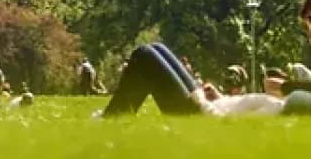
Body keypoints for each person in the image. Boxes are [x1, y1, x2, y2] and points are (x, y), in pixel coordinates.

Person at [95, 43, 283, 118]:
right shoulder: (278, 102)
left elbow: (228, 124)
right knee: (156, 47)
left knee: (144, 55)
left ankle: (112, 117)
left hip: (199, 113)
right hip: (211, 104)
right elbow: (237, 109)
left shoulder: (278, 109)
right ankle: (115, 114)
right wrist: (219, 98)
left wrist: (201, 101)